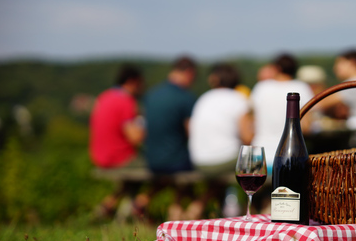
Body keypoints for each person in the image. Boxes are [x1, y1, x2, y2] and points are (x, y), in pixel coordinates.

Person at [189, 63, 253, 217]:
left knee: (215, 185)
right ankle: (252, 214)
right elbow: (247, 137)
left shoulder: (204, 98)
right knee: (253, 168)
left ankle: (194, 211)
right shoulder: (239, 100)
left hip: (198, 160)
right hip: (223, 161)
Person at [89, 64, 147, 220]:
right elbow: (135, 137)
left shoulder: (104, 97)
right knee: (156, 168)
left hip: (99, 155)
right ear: (133, 82)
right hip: (119, 157)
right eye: (141, 83)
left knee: (132, 179)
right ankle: (135, 209)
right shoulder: (126, 101)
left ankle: (108, 205)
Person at [144, 55, 198, 220]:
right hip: (175, 161)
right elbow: (191, 132)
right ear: (189, 73)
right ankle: (180, 211)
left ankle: (142, 201)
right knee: (190, 173)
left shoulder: (151, 94)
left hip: (151, 160)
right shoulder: (185, 97)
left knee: (170, 175)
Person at [250, 53, 314, 172]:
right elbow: (306, 127)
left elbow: (250, 120)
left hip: (259, 156)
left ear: (276, 68)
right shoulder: (301, 88)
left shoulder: (261, 88)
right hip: (290, 158)